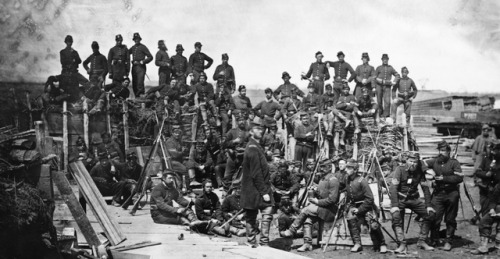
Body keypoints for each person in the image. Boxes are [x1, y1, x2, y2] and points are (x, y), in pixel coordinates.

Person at [280, 159, 340, 252]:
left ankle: (291, 230)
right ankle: (307, 244)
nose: (322, 169)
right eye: (321, 166)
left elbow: (332, 199)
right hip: (322, 208)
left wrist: (317, 201)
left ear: (329, 168)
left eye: (324, 167)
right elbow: (322, 194)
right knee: (308, 220)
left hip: (330, 210)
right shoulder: (323, 178)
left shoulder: (333, 180)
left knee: (305, 210)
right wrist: (315, 190)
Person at [389, 152, 435, 253]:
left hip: (413, 199)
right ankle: (401, 243)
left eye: (415, 162)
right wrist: (395, 205)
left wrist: (428, 205)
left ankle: (422, 241)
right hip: (401, 199)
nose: (412, 164)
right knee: (396, 217)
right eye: (410, 161)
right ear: (406, 161)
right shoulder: (400, 170)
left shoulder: (419, 171)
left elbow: (425, 188)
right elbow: (393, 188)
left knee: (430, 215)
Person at [424, 140, 463, 251]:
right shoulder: (435, 161)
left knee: (450, 219)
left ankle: (448, 241)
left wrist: (444, 178)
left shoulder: (454, 163)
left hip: (452, 194)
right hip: (438, 193)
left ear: (449, 151)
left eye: (444, 151)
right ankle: (435, 239)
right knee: (435, 217)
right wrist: (427, 171)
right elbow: (421, 163)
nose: (441, 153)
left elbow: (459, 177)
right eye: (440, 150)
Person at [240, 121, 274, 247]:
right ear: (251, 132)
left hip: (254, 189)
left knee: (253, 215)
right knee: (263, 212)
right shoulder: (253, 148)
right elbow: (256, 173)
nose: (261, 131)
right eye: (257, 129)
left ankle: (256, 241)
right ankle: (256, 242)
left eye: (261, 129)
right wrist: (264, 192)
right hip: (255, 189)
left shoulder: (255, 146)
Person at [345, 159, 387, 253]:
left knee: (373, 225)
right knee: (350, 219)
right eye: (346, 167)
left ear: (355, 170)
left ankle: (382, 244)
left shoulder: (362, 181)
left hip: (367, 206)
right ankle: (357, 243)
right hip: (354, 205)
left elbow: (370, 199)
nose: (346, 170)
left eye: (349, 168)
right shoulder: (347, 179)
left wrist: (359, 210)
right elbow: (343, 188)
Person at [471, 140, 500, 255]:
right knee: (486, 217)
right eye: (491, 149)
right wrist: (486, 174)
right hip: (487, 191)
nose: (493, 151)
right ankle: (484, 245)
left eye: (496, 149)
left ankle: (498, 245)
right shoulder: (486, 158)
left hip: (497, 193)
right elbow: (477, 172)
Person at [375, 54, 400, 120]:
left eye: (386, 59)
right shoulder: (378, 68)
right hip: (379, 86)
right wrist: (376, 82)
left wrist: (394, 81)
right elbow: (374, 77)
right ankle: (380, 114)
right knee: (379, 101)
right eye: (384, 59)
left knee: (387, 102)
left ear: (388, 60)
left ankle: (386, 116)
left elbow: (397, 75)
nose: (385, 60)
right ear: (382, 60)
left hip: (387, 87)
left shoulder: (390, 68)